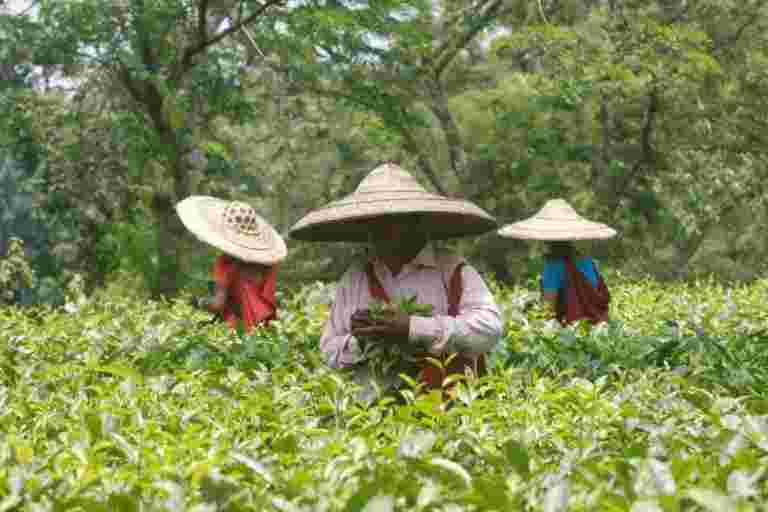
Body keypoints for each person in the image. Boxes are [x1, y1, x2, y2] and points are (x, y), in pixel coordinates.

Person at [289, 162, 503, 403]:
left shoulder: (450, 268)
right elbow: (329, 349)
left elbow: (489, 328)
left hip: (445, 413)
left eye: (389, 221)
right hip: (370, 415)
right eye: (371, 222)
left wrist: (413, 327)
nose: (377, 230)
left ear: (415, 222)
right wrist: (362, 341)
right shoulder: (357, 274)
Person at [176, 196, 287, 332]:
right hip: (265, 328)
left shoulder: (226, 263)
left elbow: (218, 304)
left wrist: (198, 302)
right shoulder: (267, 262)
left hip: (238, 330)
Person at [498, 199, 616, 325]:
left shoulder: (554, 266)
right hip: (601, 326)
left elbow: (548, 310)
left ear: (546, 240)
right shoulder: (589, 262)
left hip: (575, 331)